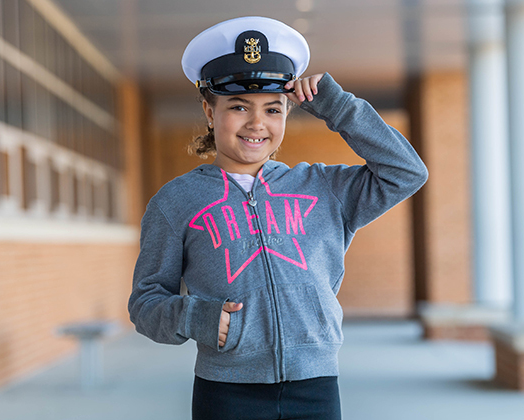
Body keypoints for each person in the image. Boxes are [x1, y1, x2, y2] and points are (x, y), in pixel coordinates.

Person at [128, 16, 428, 420]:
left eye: (273, 109)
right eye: (238, 106)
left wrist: (337, 106)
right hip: (226, 393)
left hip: (316, 387)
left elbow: (406, 171)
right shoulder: (175, 202)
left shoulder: (323, 187)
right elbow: (146, 303)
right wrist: (191, 316)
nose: (257, 123)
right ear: (209, 110)